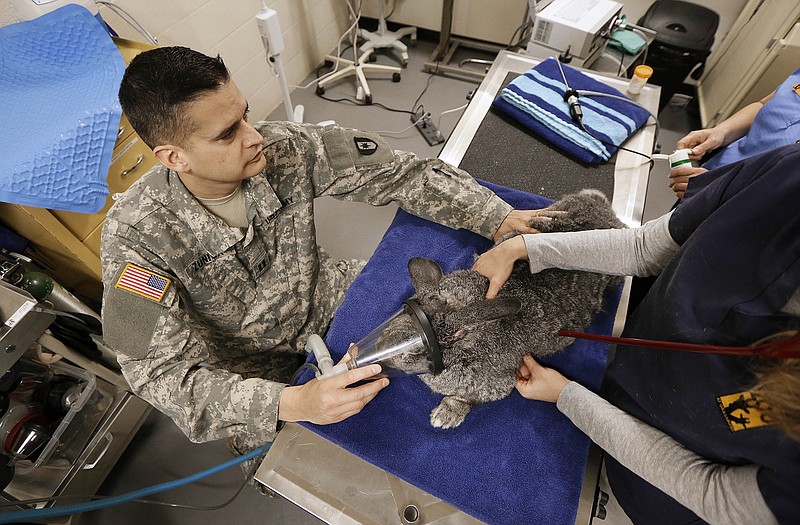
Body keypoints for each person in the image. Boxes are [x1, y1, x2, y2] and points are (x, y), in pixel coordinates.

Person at [100, 46, 544, 469]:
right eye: (228, 133)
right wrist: (291, 403)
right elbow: (154, 372)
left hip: (326, 296)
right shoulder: (136, 238)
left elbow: (400, 173)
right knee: (318, 458)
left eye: (245, 114)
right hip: (249, 372)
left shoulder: (282, 148)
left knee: (458, 341)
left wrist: (496, 216)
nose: (254, 136)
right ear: (174, 157)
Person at [472, 143, 800, 524]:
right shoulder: (786, 178)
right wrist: (528, 246)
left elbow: (712, 492)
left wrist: (568, 397)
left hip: (658, 489)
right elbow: (646, 246)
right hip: (627, 367)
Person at [668, 66, 800, 199]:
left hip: (745, 206)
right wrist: (721, 132)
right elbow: (763, 105)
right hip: (710, 174)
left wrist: (721, 189)